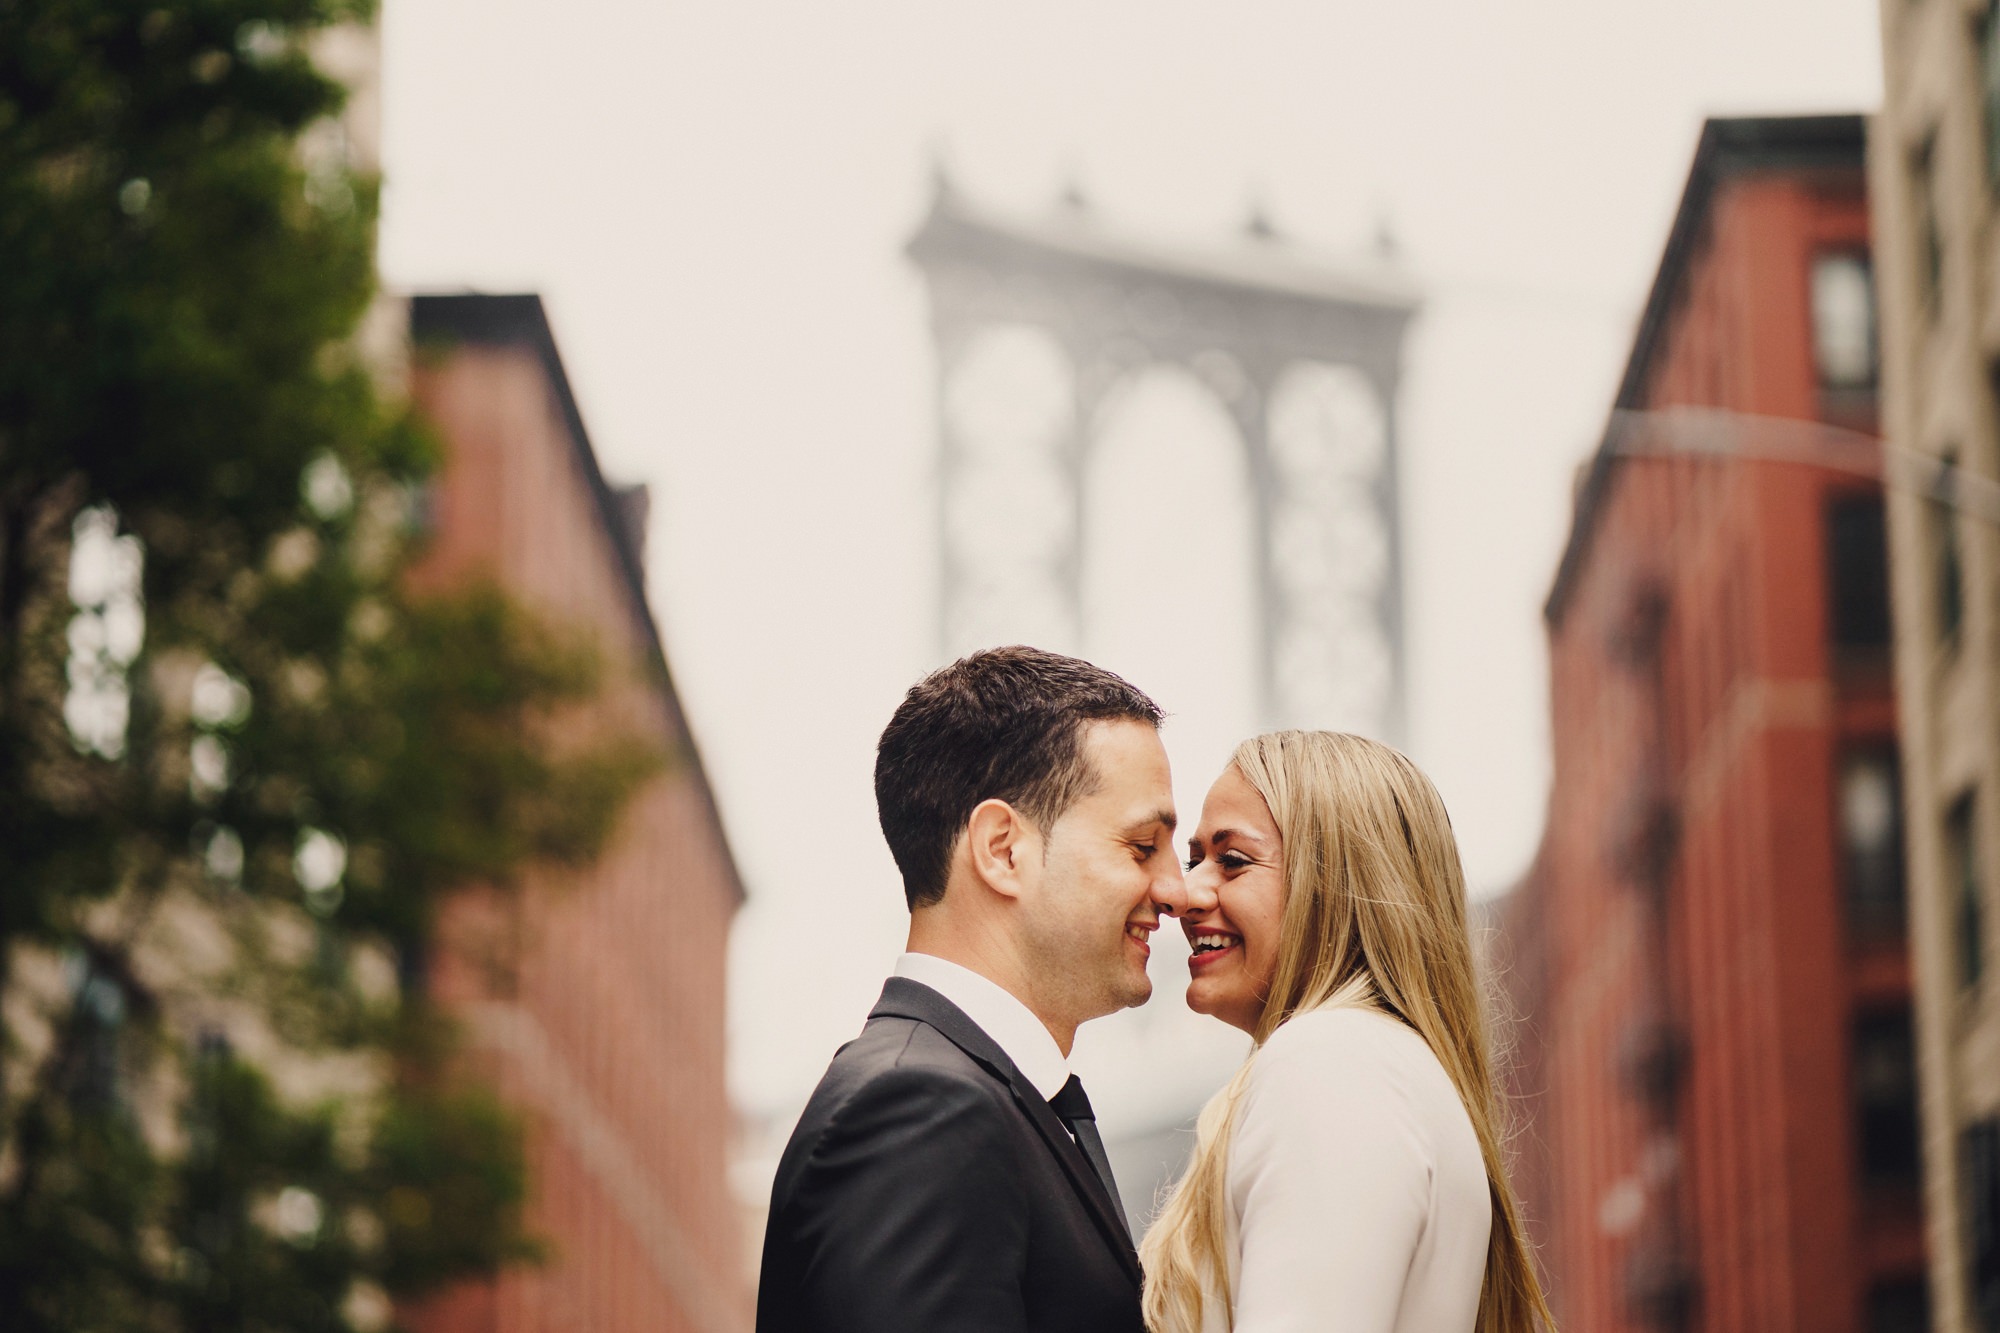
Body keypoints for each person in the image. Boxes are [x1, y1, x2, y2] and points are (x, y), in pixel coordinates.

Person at [756, 646, 1187, 1333]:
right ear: (1002, 849)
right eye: (1142, 846)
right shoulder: (921, 1113)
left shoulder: (962, 1098)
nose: (1177, 890)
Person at [1140, 731, 1553, 1333]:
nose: (1184, 892)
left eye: (1232, 860)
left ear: (1334, 882)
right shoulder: (1377, 1065)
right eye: (1195, 857)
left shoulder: (1331, 1062)